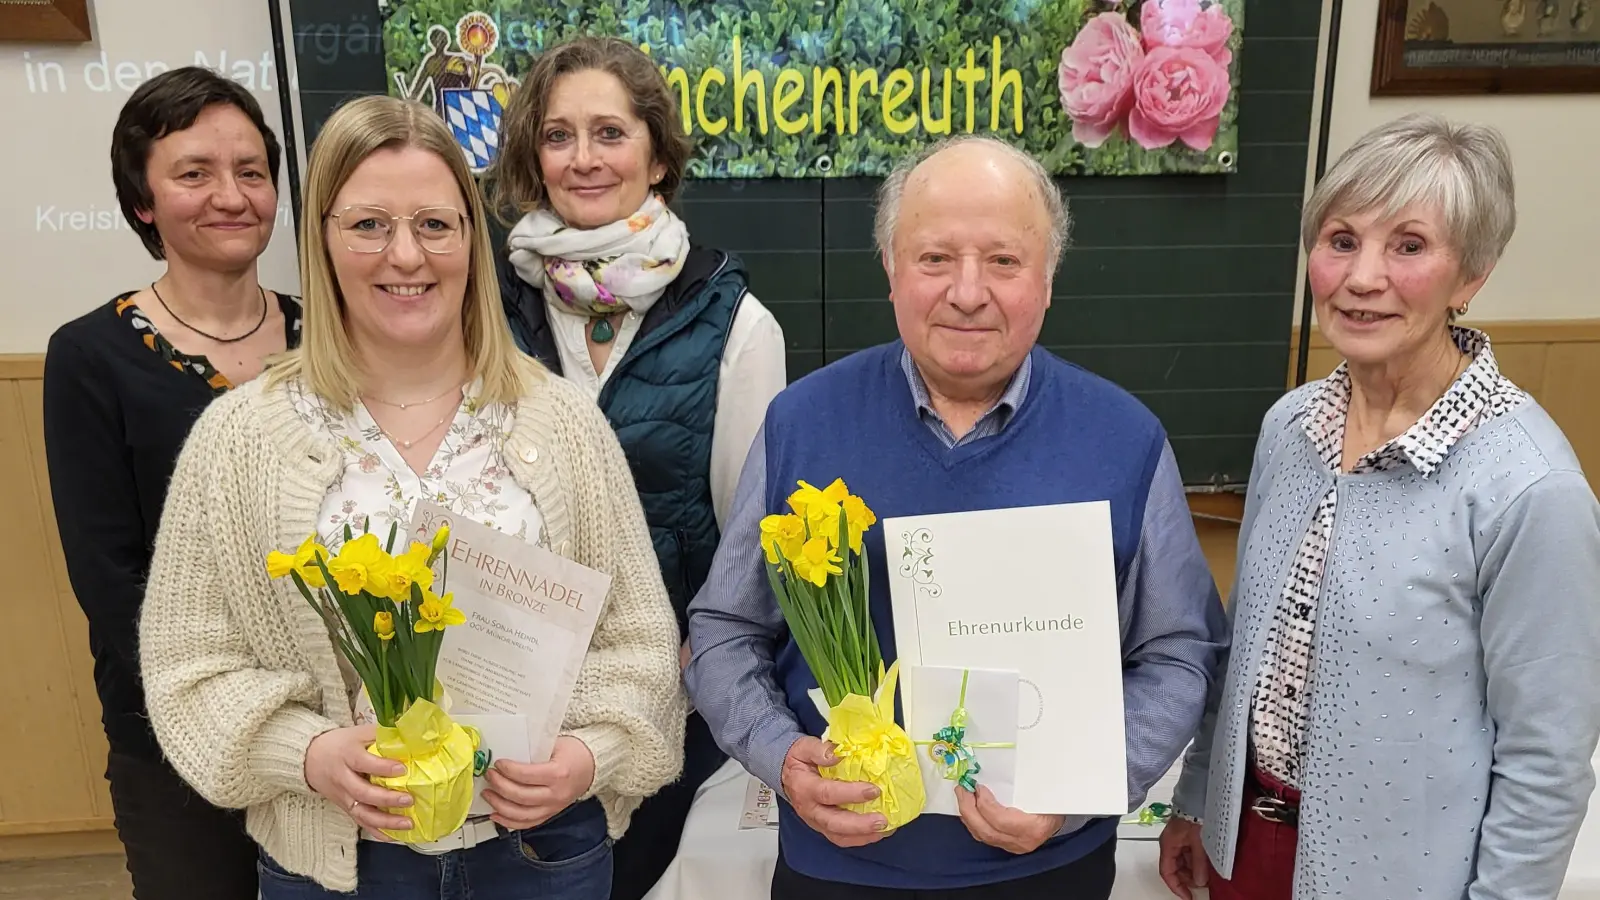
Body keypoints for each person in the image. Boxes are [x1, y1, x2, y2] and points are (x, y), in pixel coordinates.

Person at [136, 94, 686, 898]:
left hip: (539, 855)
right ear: (321, 241)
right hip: (342, 865)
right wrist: (310, 753)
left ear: (471, 241)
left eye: (435, 224)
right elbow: (188, 663)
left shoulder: (563, 425)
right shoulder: (238, 440)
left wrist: (587, 757)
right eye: (367, 225)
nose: (406, 256)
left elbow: (639, 642)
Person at [684, 134, 1229, 900]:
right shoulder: (801, 423)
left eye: (1003, 261)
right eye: (935, 258)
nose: (967, 292)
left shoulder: (1125, 437)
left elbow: (1177, 653)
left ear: (1047, 279)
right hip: (840, 867)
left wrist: (1078, 794)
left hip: (1049, 870)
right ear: (892, 271)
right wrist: (780, 755)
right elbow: (723, 630)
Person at [1158, 113, 1600, 900]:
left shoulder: (1531, 490)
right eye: (1340, 240)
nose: (1363, 278)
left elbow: (1548, 757)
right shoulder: (1289, 428)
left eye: (1408, 245)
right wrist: (1196, 801)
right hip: (1244, 850)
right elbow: (1246, 648)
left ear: (1472, 275)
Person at [489, 35, 787, 900]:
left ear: (657, 156)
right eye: (558, 135)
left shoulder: (736, 324)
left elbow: (750, 540)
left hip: (660, 706)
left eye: (610, 133)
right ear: (532, 159)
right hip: (507, 699)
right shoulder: (479, 307)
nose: (583, 158)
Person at [42, 65, 301, 900]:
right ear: (143, 202)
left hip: (335, 725)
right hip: (179, 736)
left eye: (252, 171)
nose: (231, 195)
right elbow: (108, 573)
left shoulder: (331, 333)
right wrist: (228, 704)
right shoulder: (90, 355)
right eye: (194, 173)